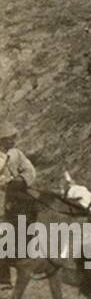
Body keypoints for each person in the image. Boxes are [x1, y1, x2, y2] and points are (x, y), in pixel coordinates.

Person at [0, 121, 37, 290]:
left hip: (15, 198)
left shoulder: (16, 154)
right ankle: (3, 277)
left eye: (14, 138)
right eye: (9, 139)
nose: (13, 142)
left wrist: (20, 181)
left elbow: (30, 170)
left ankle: (26, 259)